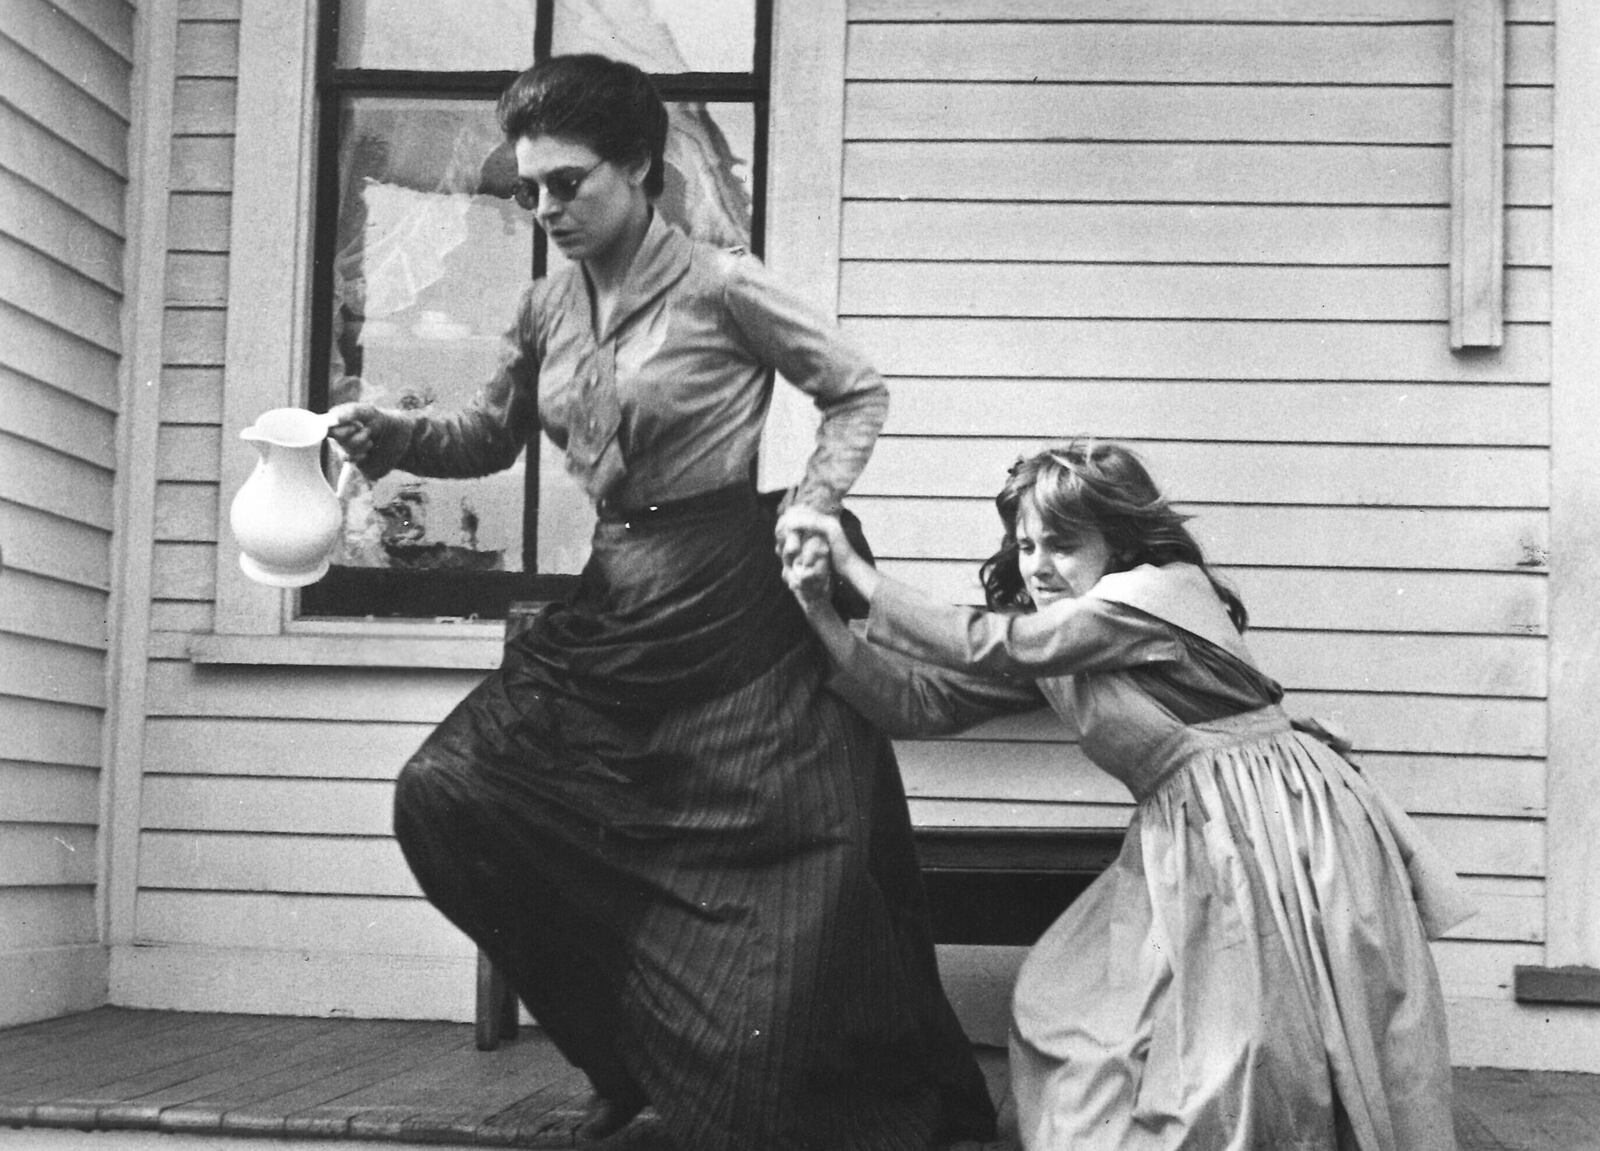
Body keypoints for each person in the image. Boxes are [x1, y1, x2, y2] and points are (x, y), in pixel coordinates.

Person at [328, 54, 995, 1151]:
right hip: (619, 598)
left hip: (732, 598)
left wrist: (815, 506)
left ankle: (758, 1073)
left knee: (773, 889)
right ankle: (618, 1055)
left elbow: (856, 387)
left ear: (638, 165)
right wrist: (396, 433)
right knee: (447, 794)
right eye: (529, 189)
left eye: (568, 183)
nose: (544, 209)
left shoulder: (724, 283)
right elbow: (490, 434)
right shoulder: (547, 300)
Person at [778, 440, 1475, 1151]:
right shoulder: (1060, 641)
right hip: (1193, 843)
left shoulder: (1159, 591)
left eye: (1063, 543)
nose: (1039, 564)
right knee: (1071, 1011)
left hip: (1277, 833)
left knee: (1249, 1056)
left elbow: (1006, 644)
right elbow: (917, 703)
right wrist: (819, 613)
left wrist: (857, 574)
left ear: (1120, 541)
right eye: (1025, 544)